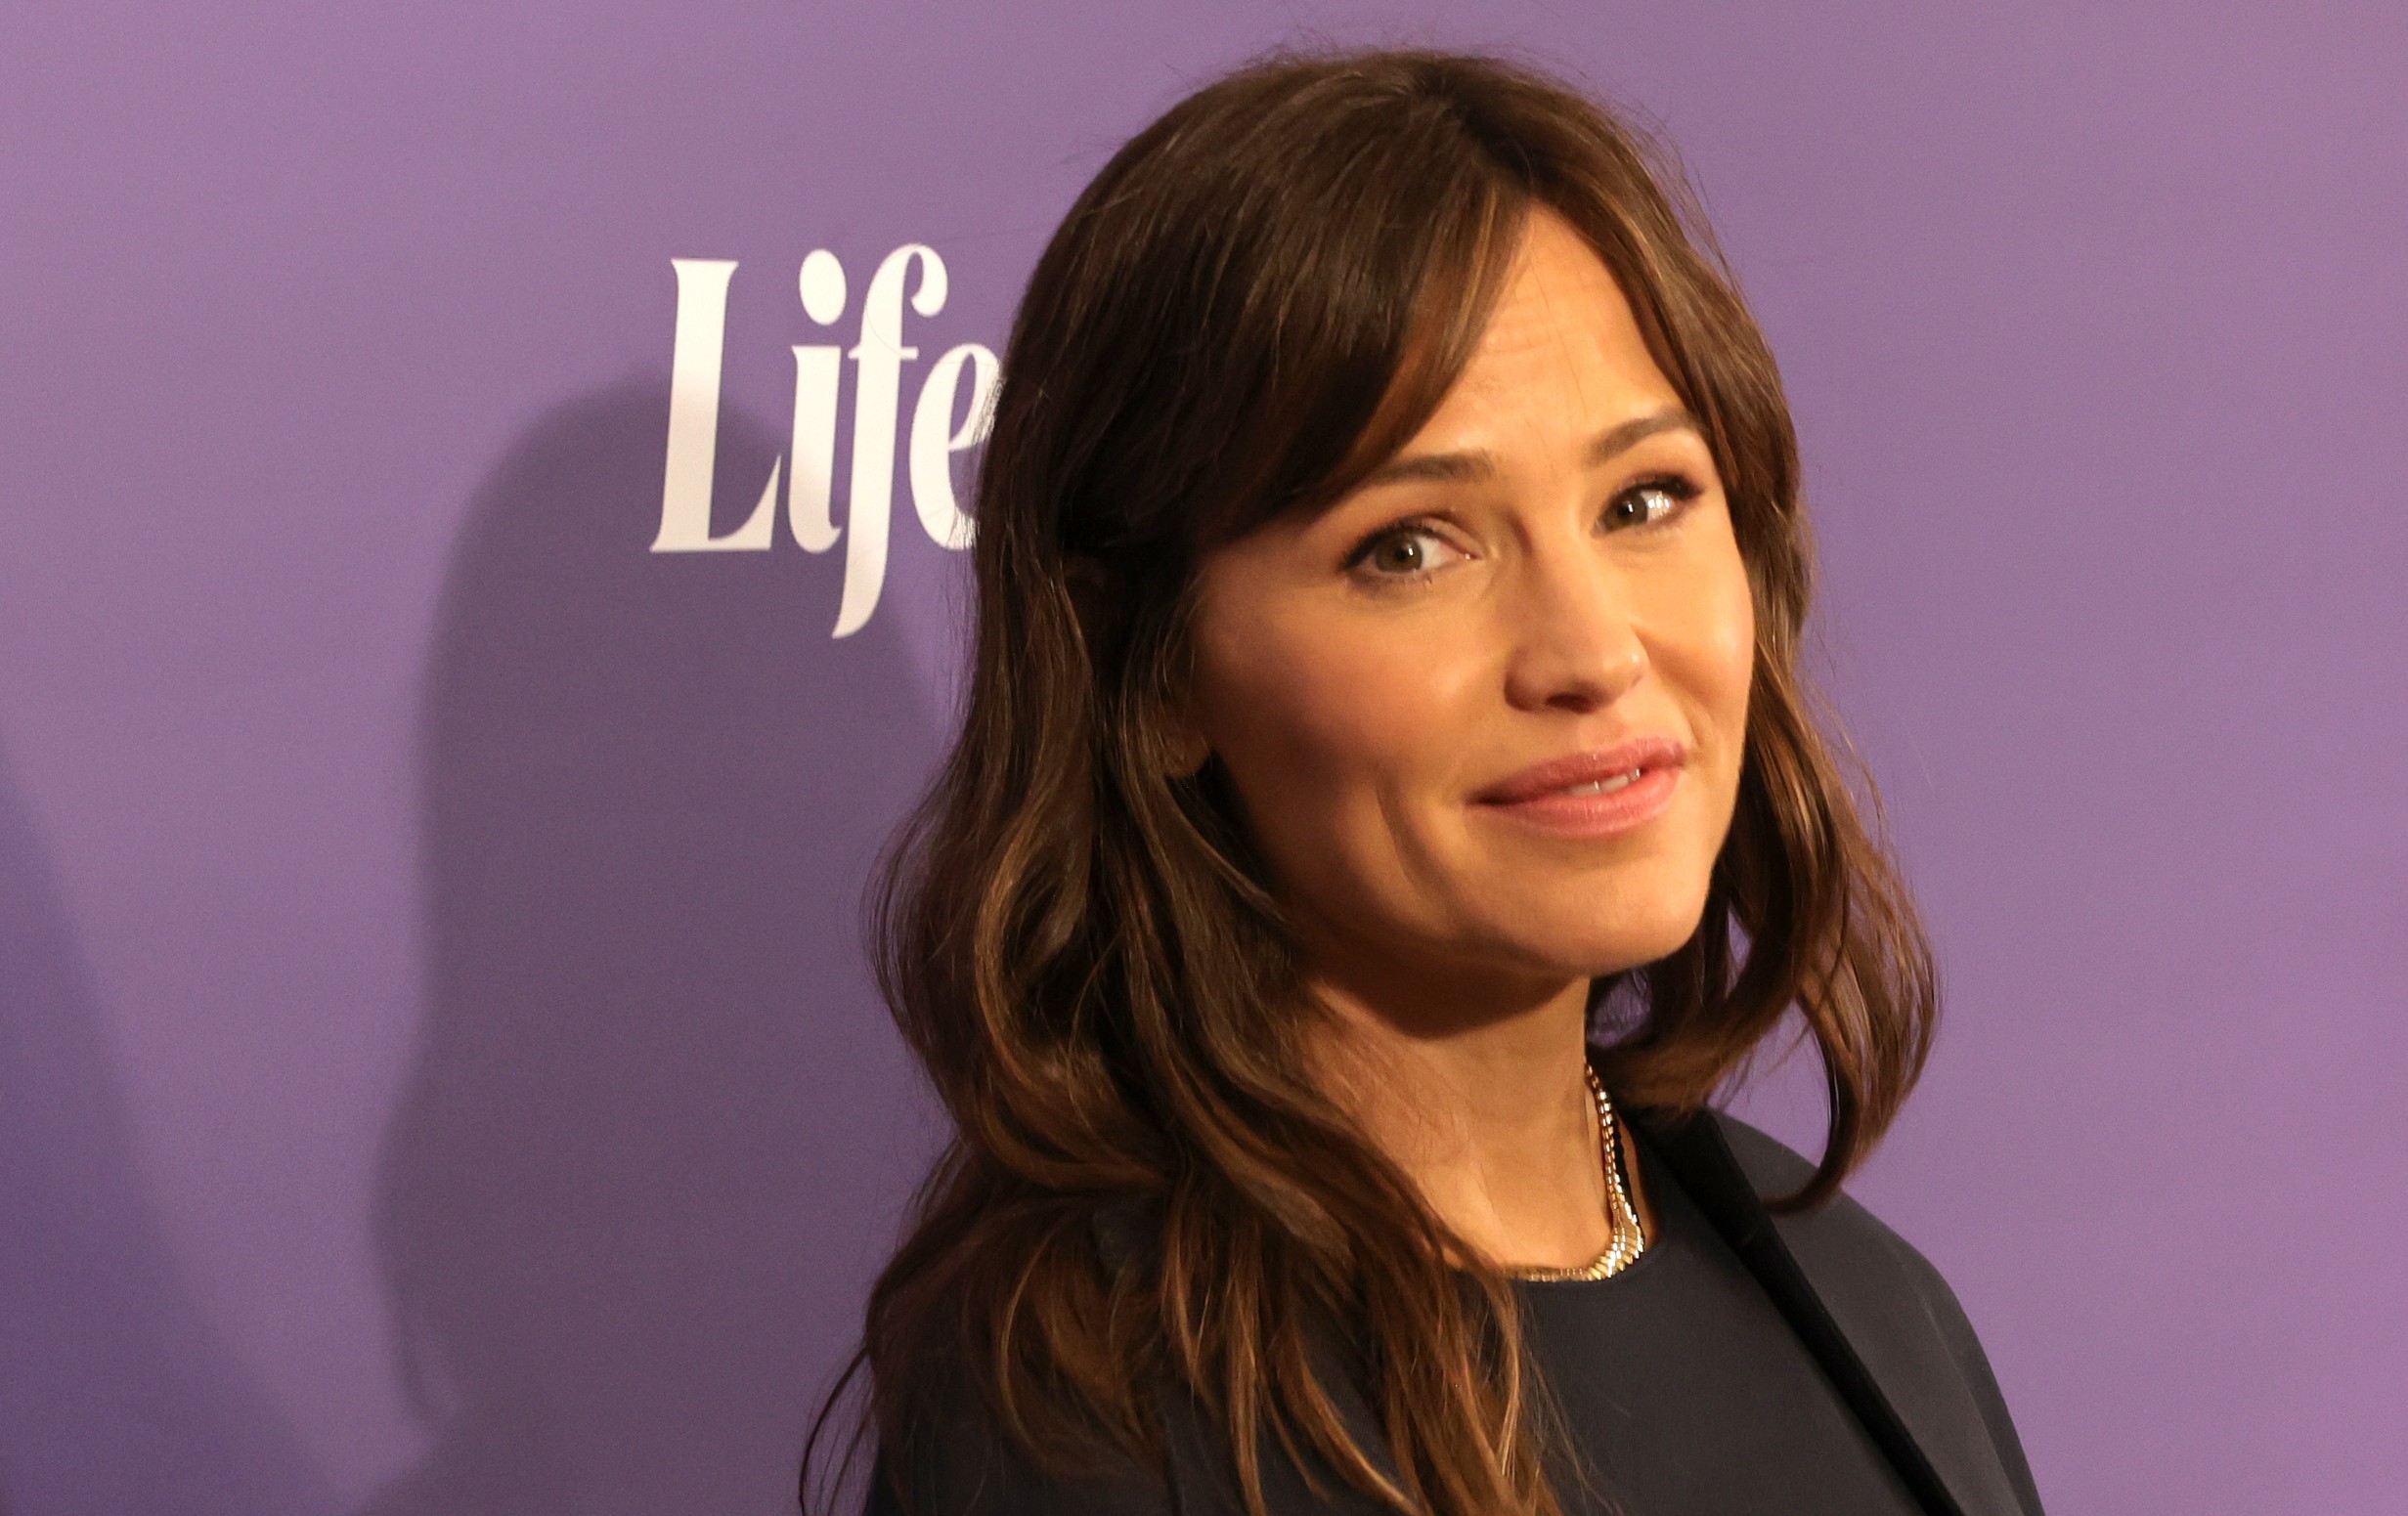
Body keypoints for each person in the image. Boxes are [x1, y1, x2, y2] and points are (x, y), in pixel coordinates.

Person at [804, 46, 2044, 1516]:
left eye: (1644, 500)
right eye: (1410, 546)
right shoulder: (1086, 1424)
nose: (1591, 650)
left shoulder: (1872, 1313)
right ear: (1152, 674)